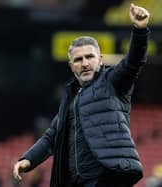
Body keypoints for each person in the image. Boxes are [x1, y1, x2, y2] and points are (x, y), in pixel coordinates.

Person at [13, 3, 150, 187]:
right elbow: (51, 137)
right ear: (71, 66)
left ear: (100, 60)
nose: (85, 63)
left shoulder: (112, 81)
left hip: (107, 177)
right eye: (78, 59)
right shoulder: (70, 98)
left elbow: (133, 63)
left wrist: (140, 31)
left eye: (90, 57)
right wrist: (28, 160)